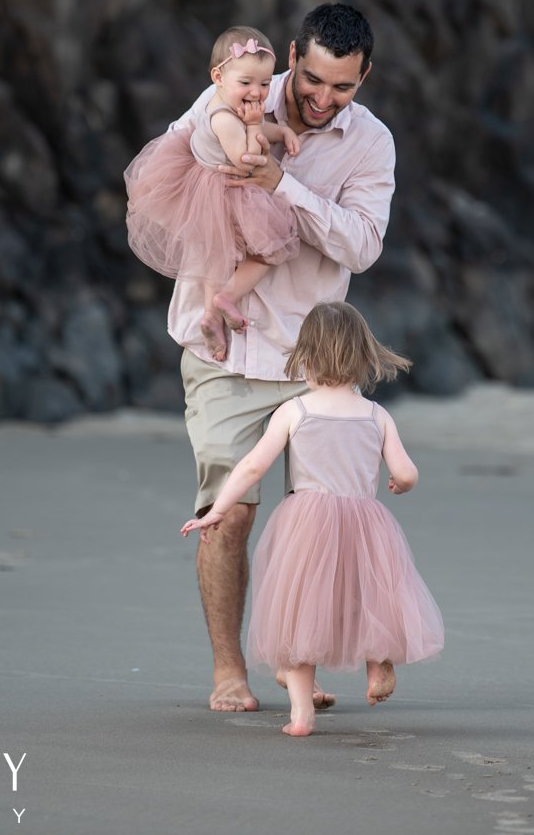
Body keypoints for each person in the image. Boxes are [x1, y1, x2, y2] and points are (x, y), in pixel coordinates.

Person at [126, 3, 396, 714]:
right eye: (312, 78)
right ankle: (228, 670)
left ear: (364, 77)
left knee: (322, 521)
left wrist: (285, 188)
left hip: (317, 358)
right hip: (224, 346)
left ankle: (293, 661)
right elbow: (177, 158)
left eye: (343, 87)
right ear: (289, 55)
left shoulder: (370, 143)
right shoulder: (237, 90)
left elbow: (363, 246)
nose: (322, 97)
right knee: (230, 513)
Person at [180, 301, 443, 737]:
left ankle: (301, 715)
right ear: (364, 357)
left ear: (302, 358)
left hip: (307, 524)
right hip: (364, 522)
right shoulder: (377, 416)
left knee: (299, 616)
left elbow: (250, 468)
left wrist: (219, 511)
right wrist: (400, 485)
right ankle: (377, 666)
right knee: (368, 597)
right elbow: (406, 472)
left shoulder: (294, 412)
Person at [124, 26, 302, 361]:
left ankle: (209, 317)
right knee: (269, 252)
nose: (257, 92)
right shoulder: (221, 116)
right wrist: (254, 127)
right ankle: (227, 298)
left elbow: (259, 125)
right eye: (246, 83)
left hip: (213, 188)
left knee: (214, 257)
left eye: (265, 84)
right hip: (225, 188)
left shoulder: (227, 101)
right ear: (218, 77)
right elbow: (245, 159)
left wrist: (280, 130)